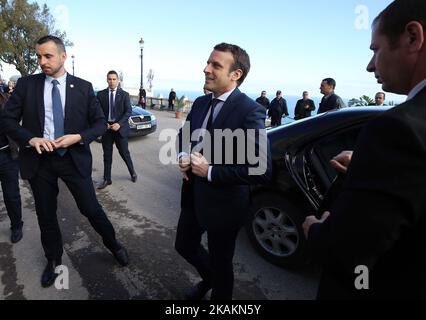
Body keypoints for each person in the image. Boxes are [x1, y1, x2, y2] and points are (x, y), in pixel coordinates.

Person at [303, 0, 426, 299]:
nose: (370, 65)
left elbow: (347, 253)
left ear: (412, 37)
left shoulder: (397, 129)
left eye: (375, 49)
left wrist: (315, 229)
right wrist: (372, 165)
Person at [2, 35, 129, 288]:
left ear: (62, 56)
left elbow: (99, 123)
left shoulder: (83, 87)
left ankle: (113, 244)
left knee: (91, 209)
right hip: (39, 161)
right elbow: (6, 120)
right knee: (46, 216)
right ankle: (53, 260)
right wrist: (31, 139)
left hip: (73, 159)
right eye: (39, 56)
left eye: (47, 56)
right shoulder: (27, 85)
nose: (42, 61)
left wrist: (78, 137)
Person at [175, 43, 271, 300]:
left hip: (225, 206)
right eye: (208, 62)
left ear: (235, 74)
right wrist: (183, 156)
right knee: (183, 246)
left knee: (221, 264)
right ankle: (209, 279)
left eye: (215, 65)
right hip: (192, 197)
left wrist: (209, 171)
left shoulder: (250, 110)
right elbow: (184, 136)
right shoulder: (200, 103)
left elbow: (261, 168)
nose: (206, 69)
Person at [97, 70, 137, 190]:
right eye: (110, 79)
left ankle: (133, 172)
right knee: (107, 155)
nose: (112, 81)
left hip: (120, 129)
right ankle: (107, 179)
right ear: (107, 80)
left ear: (118, 80)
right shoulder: (101, 94)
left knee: (124, 153)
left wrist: (119, 124)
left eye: (114, 79)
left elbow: (128, 111)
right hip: (107, 129)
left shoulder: (124, 94)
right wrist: (104, 124)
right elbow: (98, 112)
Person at [0, 92, 23, 243]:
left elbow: (16, 121)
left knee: (11, 194)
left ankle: (16, 225)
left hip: (6, 155)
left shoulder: (5, 100)